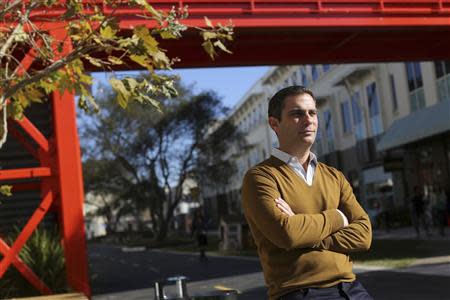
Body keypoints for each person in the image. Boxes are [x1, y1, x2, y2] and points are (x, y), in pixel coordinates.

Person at [242, 86, 373, 300]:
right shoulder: (261, 177)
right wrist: (337, 217)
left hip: (351, 288)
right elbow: (288, 234)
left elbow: (364, 235)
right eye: (297, 114)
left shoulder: (335, 176)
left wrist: (305, 232)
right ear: (274, 124)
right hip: (299, 292)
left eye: (312, 113)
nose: (308, 119)